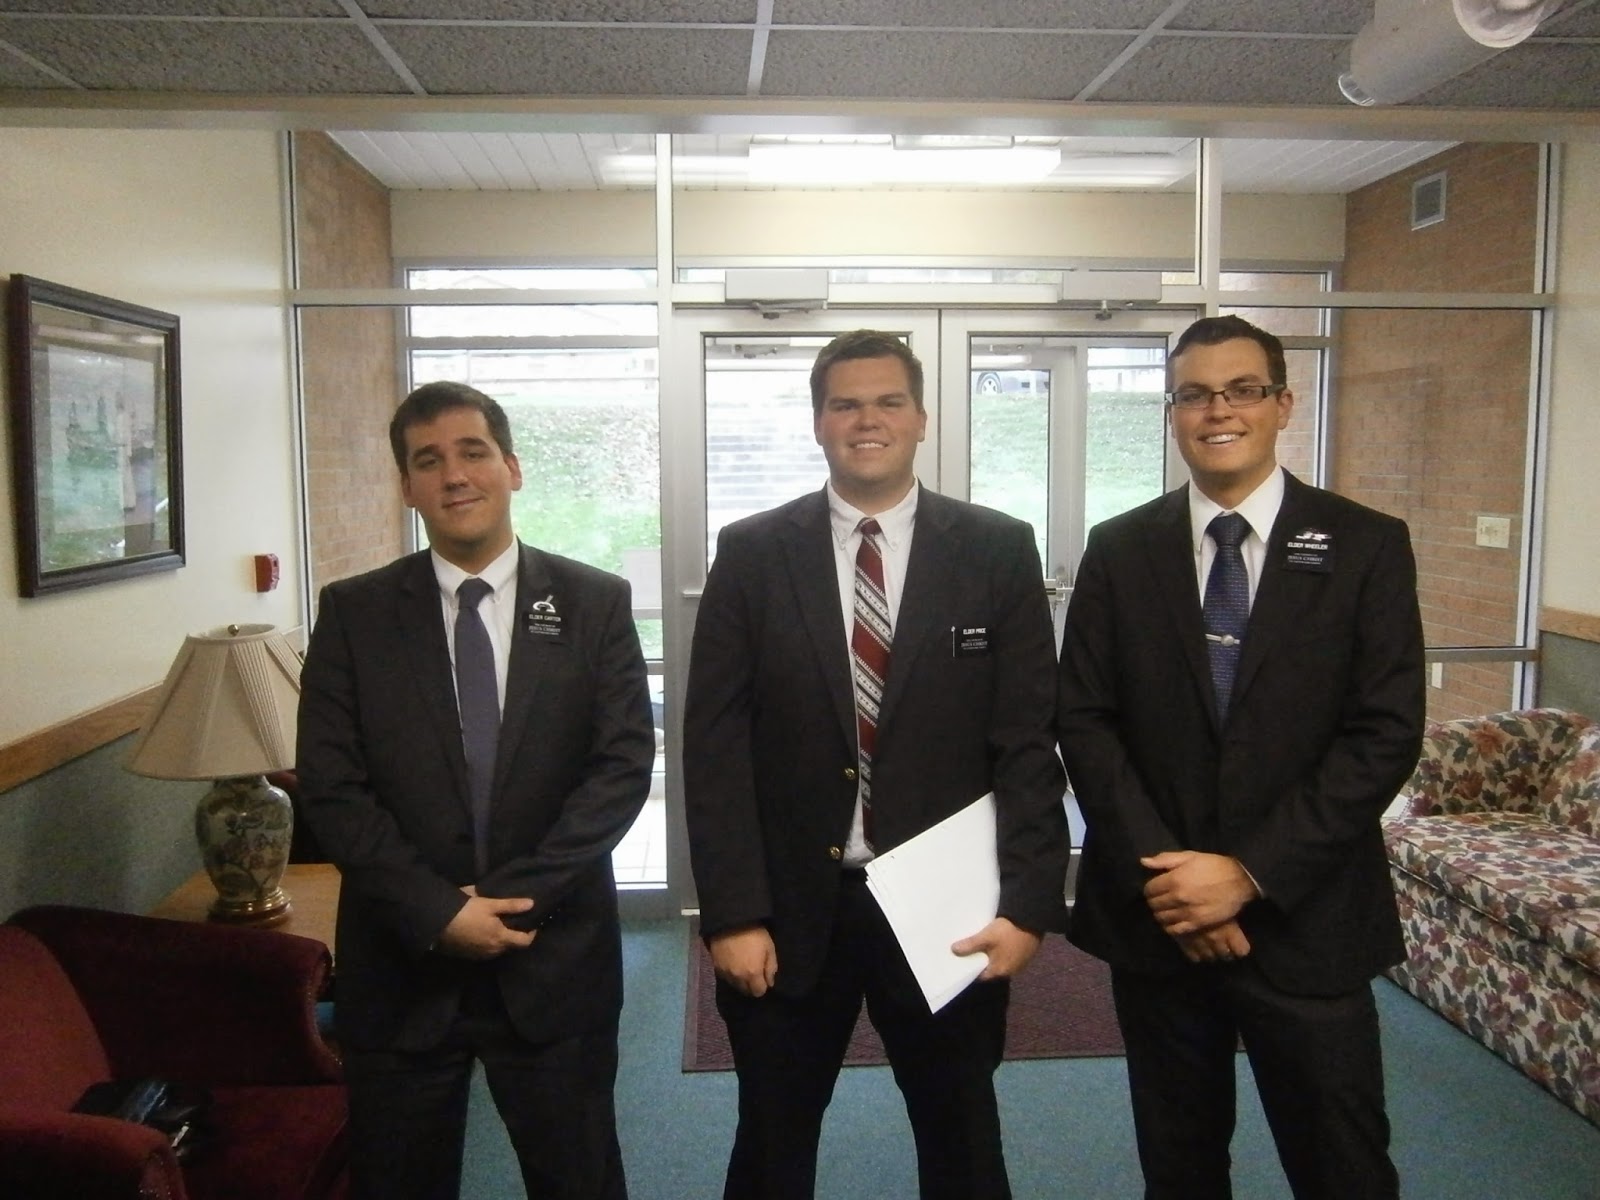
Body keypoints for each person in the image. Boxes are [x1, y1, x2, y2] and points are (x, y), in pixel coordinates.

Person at [684, 329, 1070, 1200]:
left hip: (947, 910)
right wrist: (732, 912)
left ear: (921, 417)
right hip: (789, 912)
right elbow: (714, 748)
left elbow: (1026, 742)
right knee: (772, 1145)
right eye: (846, 404)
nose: (868, 420)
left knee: (963, 1141)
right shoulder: (752, 552)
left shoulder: (996, 548)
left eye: (889, 401)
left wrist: (1028, 905)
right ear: (818, 422)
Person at [1057, 314, 1425, 1199]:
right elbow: (1086, 721)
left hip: (1309, 919)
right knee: (1179, 1164)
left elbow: (1384, 732)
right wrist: (1178, 884)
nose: (1218, 410)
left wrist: (1249, 873)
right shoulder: (1119, 548)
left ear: (1282, 404)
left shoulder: (1366, 544)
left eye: (1242, 390)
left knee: (1343, 1166)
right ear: (1172, 414)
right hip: (1160, 923)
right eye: (1194, 394)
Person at [296, 380, 656, 1200]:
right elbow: (332, 786)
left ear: (512, 467)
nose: (454, 475)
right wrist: (437, 912)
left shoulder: (594, 602)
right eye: (428, 461)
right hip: (402, 964)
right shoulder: (354, 614)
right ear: (407, 486)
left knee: (579, 1180)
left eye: (472, 452)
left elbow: (620, 768)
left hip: (553, 960)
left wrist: (510, 903)